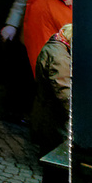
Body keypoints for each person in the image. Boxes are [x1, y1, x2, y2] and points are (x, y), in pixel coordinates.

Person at [31, 23, 73, 154]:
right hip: (54, 120)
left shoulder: (55, 47)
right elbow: (64, 92)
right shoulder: (59, 57)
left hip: (47, 115)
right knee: (53, 154)